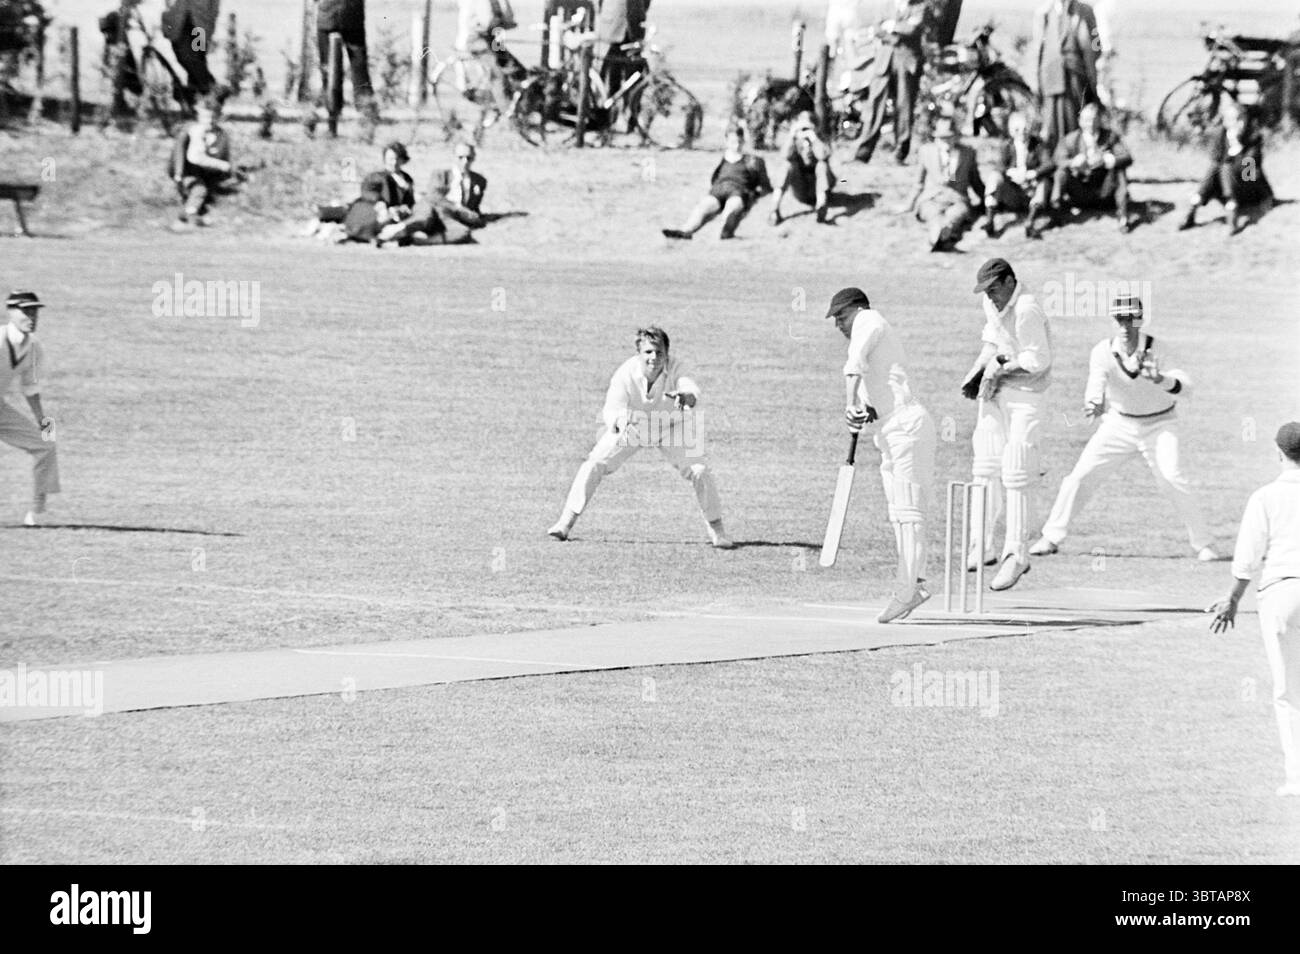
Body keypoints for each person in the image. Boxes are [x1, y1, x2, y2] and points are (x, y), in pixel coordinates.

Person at [1030, 294, 1218, 562]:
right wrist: (1093, 403)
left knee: (1172, 477)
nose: (1124, 324)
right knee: (1080, 477)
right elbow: (1096, 383)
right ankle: (1051, 537)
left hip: (1161, 424)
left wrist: (1160, 379)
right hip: (1119, 424)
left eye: (1131, 318)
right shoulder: (1102, 351)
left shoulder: (1158, 348)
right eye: (1119, 318)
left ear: (1140, 320)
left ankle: (1204, 544)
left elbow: (1186, 387)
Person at [547, 326, 735, 549]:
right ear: (639, 354)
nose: (654, 358)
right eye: (648, 352)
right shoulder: (625, 373)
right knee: (594, 463)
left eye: (659, 352)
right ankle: (565, 524)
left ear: (666, 353)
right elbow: (612, 410)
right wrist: (620, 421)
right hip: (634, 426)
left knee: (700, 470)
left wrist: (686, 397)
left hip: (672, 426)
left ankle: (717, 531)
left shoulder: (678, 368)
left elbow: (691, 390)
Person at [826, 287, 938, 623]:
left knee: (908, 513)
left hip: (907, 426)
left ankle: (907, 592)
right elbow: (871, 395)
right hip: (891, 430)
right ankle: (913, 584)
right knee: (899, 513)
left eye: (840, 317)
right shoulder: (871, 337)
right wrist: (861, 410)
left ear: (855, 309)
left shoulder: (869, 320)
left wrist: (849, 405)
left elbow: (853, 366)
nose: (838, 326)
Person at [1207, 422, 1300, 797]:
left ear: (1278, 454)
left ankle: (1298, 778)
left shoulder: (1265, 496)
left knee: (1288, 691)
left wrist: (1232, 599)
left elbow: (1247, 557)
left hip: (1282, 595)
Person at [959, 257, 1053, 591]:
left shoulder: (1027, 308)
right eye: (986, 291)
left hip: (1027, 393)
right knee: (985, 466)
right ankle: (980, 545)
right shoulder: (991, 301)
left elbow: (1038, 360)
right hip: (996, 390)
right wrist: (978, 370)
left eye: (996, 289)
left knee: (1016, 470)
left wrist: (999, 369)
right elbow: (993, 340)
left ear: (1011, 281)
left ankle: (1016, 554)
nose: (991, 297)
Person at [1, 291, 60, 527]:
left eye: (35, 311)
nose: (32, 316)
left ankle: (38, 513)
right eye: (26, 311)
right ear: (10, 312)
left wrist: (43, 421)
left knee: (45, 444)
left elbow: (30, 387)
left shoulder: (34, 346)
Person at [1178, 102, 1274, 236]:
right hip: (1226, 190)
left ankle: (1195, 209)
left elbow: (1249, 173)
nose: (1238, 124)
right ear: (1226, 122)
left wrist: (1237, 149)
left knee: (1224, 166)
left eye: (1241, 119)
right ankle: (1200, 203)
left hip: (1250, 190)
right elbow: (1215, 160)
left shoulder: (1253, 137)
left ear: (1246, 119)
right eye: (1233, 120)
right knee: (1216, 167)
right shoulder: (1220, 135)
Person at [662, 124, 772, 240]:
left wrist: (755, 195)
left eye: (739, 141)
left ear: (743, 141)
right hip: (718, 190)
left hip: (739, 191)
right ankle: (685, 232)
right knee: (704, 207)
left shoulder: (752, 161)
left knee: (732, 206)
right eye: (733, 142)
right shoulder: (721, 159)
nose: (737, 145)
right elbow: (713, 180)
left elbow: (766, 187)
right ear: (726, 141)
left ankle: (725, 233)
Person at [851, 0, 927, 165]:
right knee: (875, 106)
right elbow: (877, 29)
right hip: (883, 62)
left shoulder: (919, 6)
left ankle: (900, 153)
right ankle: (862, 154)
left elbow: (912, 29)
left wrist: (892, 25)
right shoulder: (885, 5)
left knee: (904, 108)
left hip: (906, 63)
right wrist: (896, 36)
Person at [899, 115, 985, 251]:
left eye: (949, 137)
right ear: (935, 138)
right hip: (931, 199)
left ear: (956, 136)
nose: (945, 141)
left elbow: (976, 181)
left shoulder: (967, 153)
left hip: (957, 200)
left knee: (955, 216)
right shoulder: (926, 151)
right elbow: (918, 183)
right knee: (933, 215)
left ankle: (940, 236)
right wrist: (908, 204)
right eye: (941, 138)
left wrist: (987, 201)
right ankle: (939, 235)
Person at [1051, 101, 1133, 233]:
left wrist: (1109, 160)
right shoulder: (1071, 139)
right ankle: (1056, 212)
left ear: (1099, 120)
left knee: (1119, 170)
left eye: (1093, 119)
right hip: (1080, 192)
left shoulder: (1110, 136)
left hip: (1104, 191)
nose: (1089, 123)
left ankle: (1122, 216)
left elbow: (1127, 157)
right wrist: (1073, 162)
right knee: (1061, 173)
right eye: (1086, 120)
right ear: (1079, 121)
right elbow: (1057, 159)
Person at [1028, 0, 1099, 148]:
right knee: (1050, 125)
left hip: (1077, 78)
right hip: (1050, 77)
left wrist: (1092, 72)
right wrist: (1036, 80)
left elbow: (1096, 44)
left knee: (1076, 120)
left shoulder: (1085, 11)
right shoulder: (1044, 13)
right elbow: (1037, 48)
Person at [983, 110, 1054, 240]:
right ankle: (989, 220)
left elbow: (1049, 163)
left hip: (1031, 191)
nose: (1021, 133)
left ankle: (1030, 223)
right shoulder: (1006, 145)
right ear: (1010, 131)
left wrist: (1033, 173)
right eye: (1017, 129)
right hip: (1013, 192)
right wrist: (1011, 172)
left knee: (1044, 182)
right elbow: (999, 165)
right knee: (994, 177)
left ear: (1030, 128)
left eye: (1025, 128)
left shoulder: (1038, 144)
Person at [170, 90, 233, 227]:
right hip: (186, 171)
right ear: (199, 117)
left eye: (212, 118)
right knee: (199, 189)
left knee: (204, 193)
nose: (209, 121)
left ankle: (185, 216)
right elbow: (192, 156)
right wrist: (178, 173)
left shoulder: (220, 134)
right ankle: (190, 217)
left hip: (204, 172)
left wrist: (226, 170)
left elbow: (223, 154)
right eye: (205, 118)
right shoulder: (193, 131)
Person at [594, 0, 650, 132]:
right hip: (615, 27)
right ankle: (610, 116)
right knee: (612, 76)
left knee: (635, 77)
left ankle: (631, 116)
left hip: (633, 28)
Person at [768, 112, 833, 226]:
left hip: (818, 187)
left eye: (807, 127)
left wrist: (814, 138)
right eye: (802, 127)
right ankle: (774, 208)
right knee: (787, 165)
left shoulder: (821, 138)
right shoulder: (794, 140)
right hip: (801, 187)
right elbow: (784, 156)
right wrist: (792, 136)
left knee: (822, 165)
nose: (804, 130)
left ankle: (821, 206)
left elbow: (823, 156)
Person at [315, 0, 376, 118]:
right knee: (359, 63)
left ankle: (333, 106)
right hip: (353, 14)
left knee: (328, 65)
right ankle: (365, 105)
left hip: (327, 15)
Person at [161, 0, 219, 108]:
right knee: (184, 57)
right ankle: (205, 91)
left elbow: (214, 4)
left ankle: (199, 96)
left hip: (200, 22)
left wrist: (211, 23)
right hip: (177, 19)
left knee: (195, 58)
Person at [98, 0, 144, 120]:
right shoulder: (119, 13)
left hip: (117, 42)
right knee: (124, 75)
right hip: (117, 43)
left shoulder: (120, 13)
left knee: (120, 74)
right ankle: (121, 106)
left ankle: (120, 105)